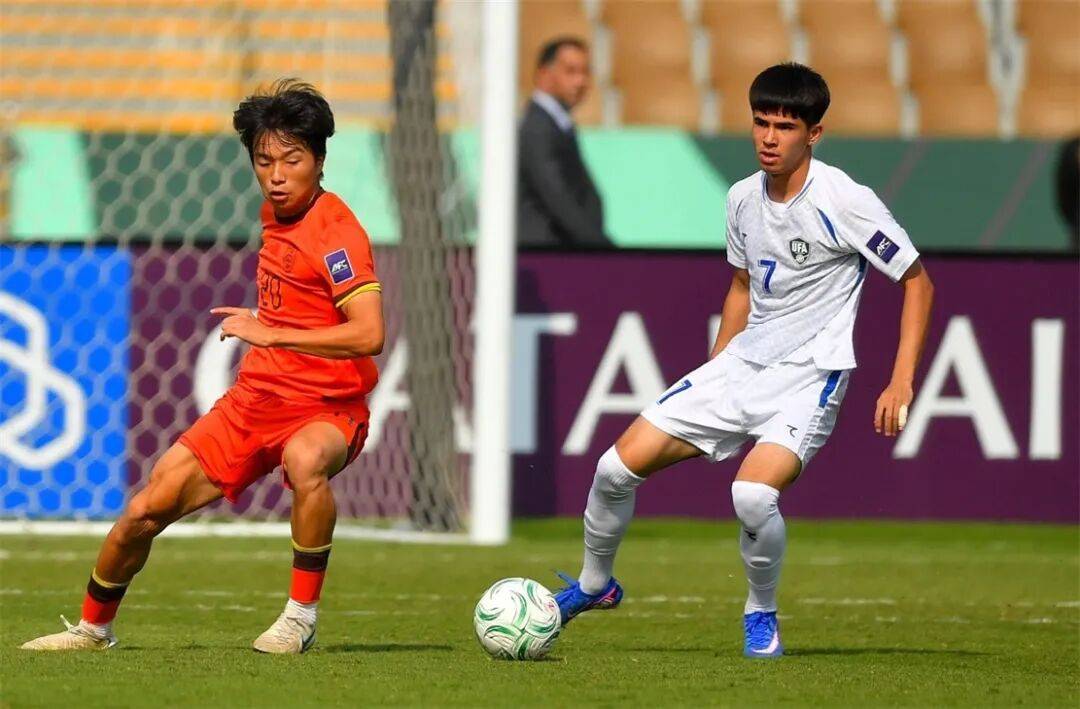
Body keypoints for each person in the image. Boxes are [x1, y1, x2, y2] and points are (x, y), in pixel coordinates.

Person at [551, 63, 935, 658]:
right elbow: (741, 286)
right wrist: (715, 368)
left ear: (814, 133)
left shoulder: (845, 200)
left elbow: (917, 282)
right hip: (742, 365)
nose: (769, 137)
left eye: (785, 126)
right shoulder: (740, 199)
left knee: (752, 496)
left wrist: (901, 381)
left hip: (810, 377)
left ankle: (760, 613)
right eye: (761, 122)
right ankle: (596, 585)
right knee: (612, 469)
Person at [21, 80, 385, 654]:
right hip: (255, 401)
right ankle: (92, 630)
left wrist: (271, 331)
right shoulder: (274, 212)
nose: (276, 175)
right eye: (264, 161)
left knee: (305, 459)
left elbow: (369, 334)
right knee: (145, 509)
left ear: (320, 160)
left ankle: (299, 618)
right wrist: (274, 324)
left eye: (292, 160)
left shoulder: (338, 234)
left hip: (327, 407)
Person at [518, 37, 612, 249]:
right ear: (544, 75)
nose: (580, 81)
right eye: (571, 71)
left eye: (585, 72)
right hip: (547, 254)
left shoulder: (557, 124)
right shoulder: (537, 128)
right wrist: (600, 247)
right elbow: (557, 197)